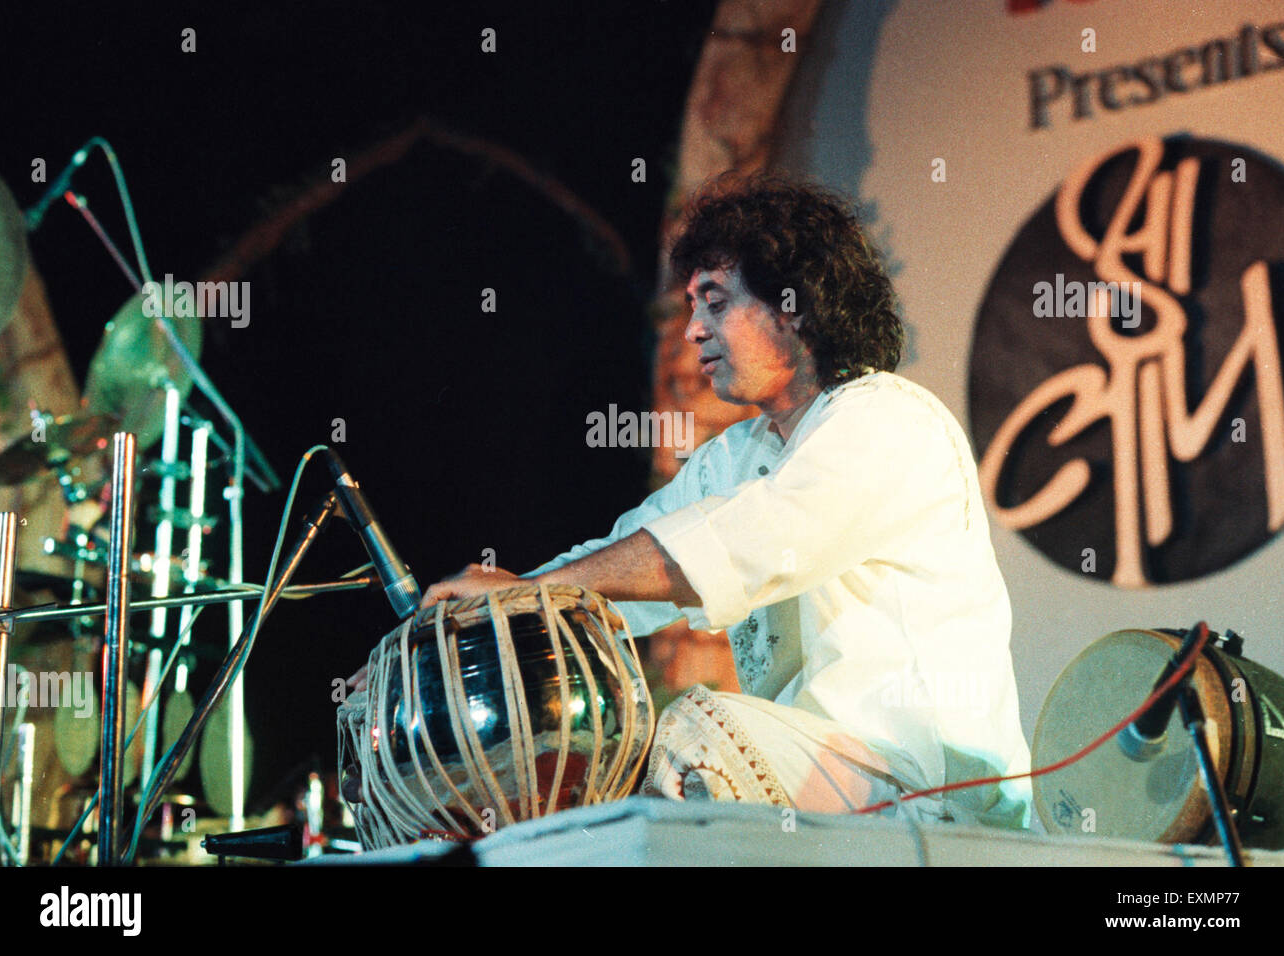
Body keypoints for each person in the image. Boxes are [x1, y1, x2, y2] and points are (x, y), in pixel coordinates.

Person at [418, 176, 1032, 828]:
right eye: (690, 307)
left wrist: (527, 594)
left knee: (698, 737)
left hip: (934, 784)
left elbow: (748, 544)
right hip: (822, 775)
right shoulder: (733, 457)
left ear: (793, 307)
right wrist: (468, 632)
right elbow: (617, 572)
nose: (692, 332)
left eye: (714, 303)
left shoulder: (886, 419)